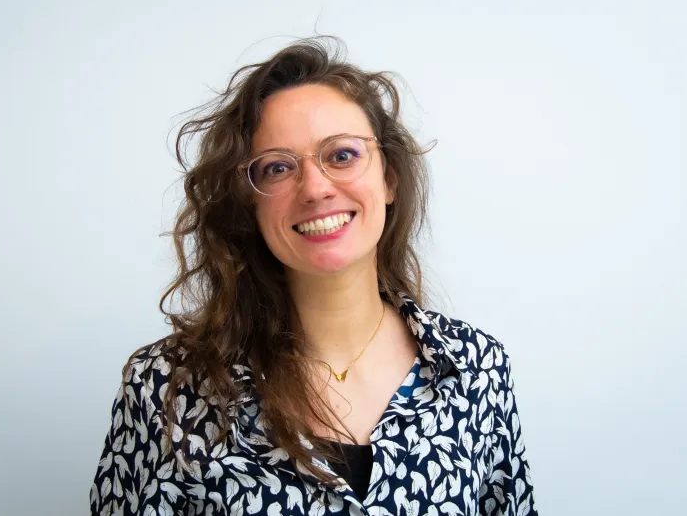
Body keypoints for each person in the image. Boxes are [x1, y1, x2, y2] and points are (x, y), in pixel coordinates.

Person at [90, 37, 537, 516]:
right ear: (249, 202)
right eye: (278, 167)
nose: (316, 188)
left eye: (341, 155)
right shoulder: (167, 390)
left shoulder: (476, 370)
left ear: (388, 178)